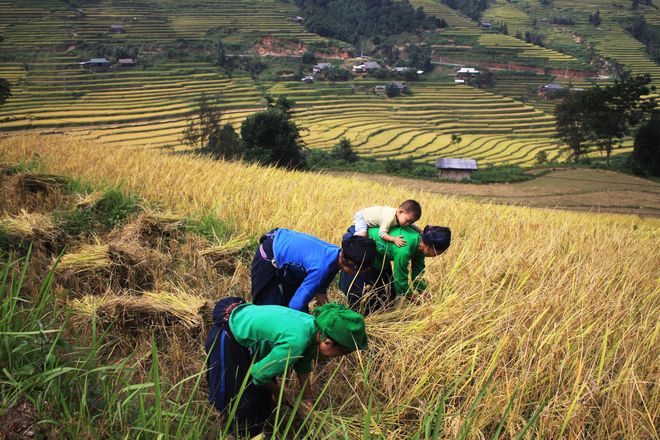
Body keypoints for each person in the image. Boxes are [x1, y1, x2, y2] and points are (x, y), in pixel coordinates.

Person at [205, 298, 368, 437]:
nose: (334, 358)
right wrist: (279, 391)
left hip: (243, 325)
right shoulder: (297, 341)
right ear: (328, 342)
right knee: (243, 405)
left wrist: (307, 398)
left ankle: (263, 430)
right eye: (338, 354)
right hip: (228, 337)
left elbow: (303, 361)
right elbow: (257, 374)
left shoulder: (312, 326)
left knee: (262, 399)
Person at [251, 228, 377, 311]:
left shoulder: (335, 254)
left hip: (282, 244)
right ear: (352, 266)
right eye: (362, 271)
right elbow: (295, 305)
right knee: (268, 310)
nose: (361, 274)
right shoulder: (321, 268)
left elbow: (319, 289)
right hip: (269, 255)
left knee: (291, 302)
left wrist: (330, 311)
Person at [339, 224, 451, 315]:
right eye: (438, 252)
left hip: (380, 255)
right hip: (359, 244)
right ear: (430, 247)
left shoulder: (420, 246)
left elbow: (418, 274)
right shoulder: (404, 249)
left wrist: (424, 293)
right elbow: (400, 280)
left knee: (388, 297)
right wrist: (414, 299)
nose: (437, 256)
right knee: (358, 297)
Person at [353, 200, 422, 247]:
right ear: (400, 212)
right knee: (363, 234)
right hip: (363, 217)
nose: (408, 224)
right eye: (407, 220)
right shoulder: (389, 218)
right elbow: (382, 233)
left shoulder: (401, 216)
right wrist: (394, 239)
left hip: (373, 216)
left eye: (411, 222)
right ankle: (352, 243)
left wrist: (421, 231)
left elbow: (413, 226)